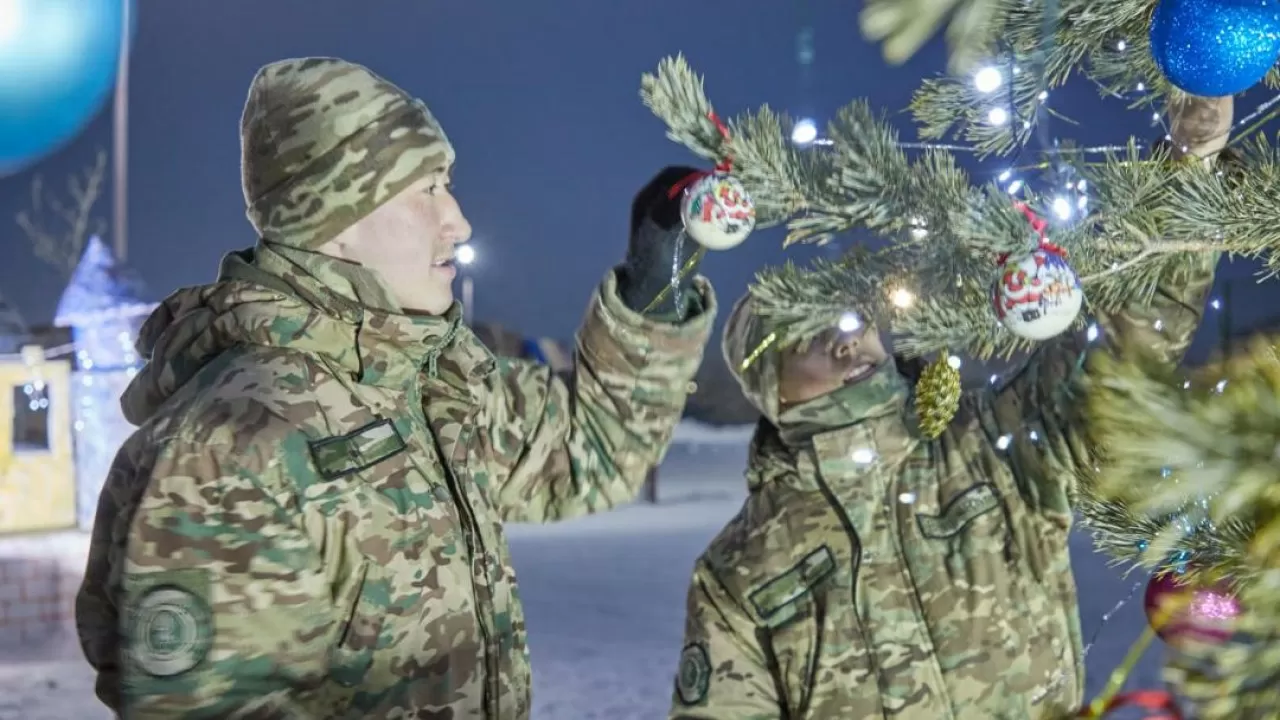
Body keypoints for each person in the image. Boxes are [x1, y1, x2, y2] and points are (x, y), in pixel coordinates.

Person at [74, 57, 716, 718]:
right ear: (335, 218)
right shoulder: (234, 449)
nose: (458, 221)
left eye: (449, 184)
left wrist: (652, 294)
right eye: (428, 188)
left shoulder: (428, 384)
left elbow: (586, 449)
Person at [668, 93, 1233, 719]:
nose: (842, 338)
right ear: (767, 391)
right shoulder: (740, 567)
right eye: (803, 336)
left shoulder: (988, 447)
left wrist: (1189, 167)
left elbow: (1112, 359)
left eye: (847, 315)